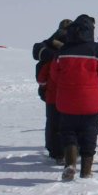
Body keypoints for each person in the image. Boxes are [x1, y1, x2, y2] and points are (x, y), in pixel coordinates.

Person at [50, 15, 98, 181]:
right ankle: (86, 170)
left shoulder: (62, 51)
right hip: (91, 102)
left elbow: (54, 75)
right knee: (89, 134)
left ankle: (70, 163)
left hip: (66, 101)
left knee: (68, 133)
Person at [33, 19, 72, 164]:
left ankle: (56, 152)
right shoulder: (75, 46)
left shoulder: (48, 46)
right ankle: (71, 151)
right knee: (71, 124)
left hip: (52, 93)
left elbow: (41, 74)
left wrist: (43, 87)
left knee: (53, 124)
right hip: (70, 93)